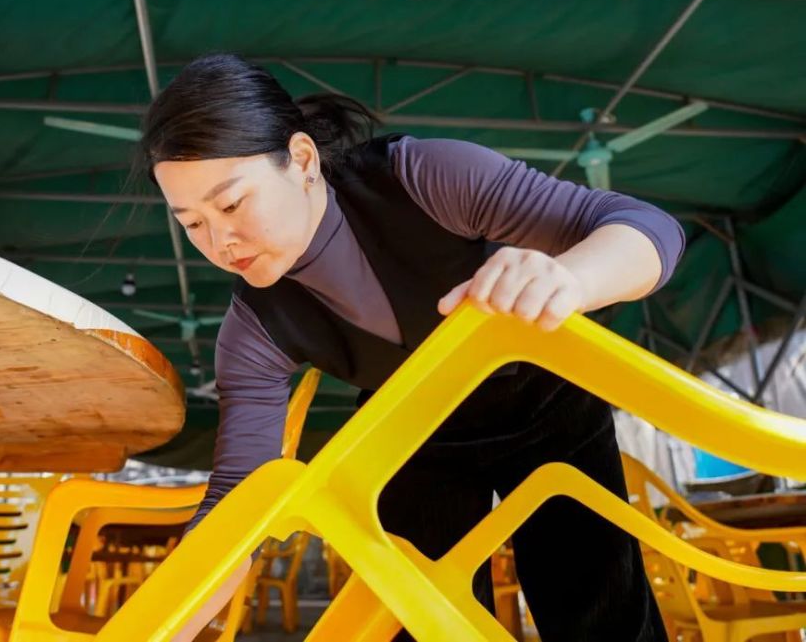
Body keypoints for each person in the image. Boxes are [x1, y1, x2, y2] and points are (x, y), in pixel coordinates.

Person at [140, 53, 681, 641]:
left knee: (597, 604)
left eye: (230, 204)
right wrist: (157, 629)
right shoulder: (253, 331)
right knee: (419, 619)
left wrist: (571, 279)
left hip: (544, 402)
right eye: (191, 224)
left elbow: (648, 227)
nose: (220, 241)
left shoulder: (422, 176)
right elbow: (235, 508)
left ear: (300, 160)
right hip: (408, 430)